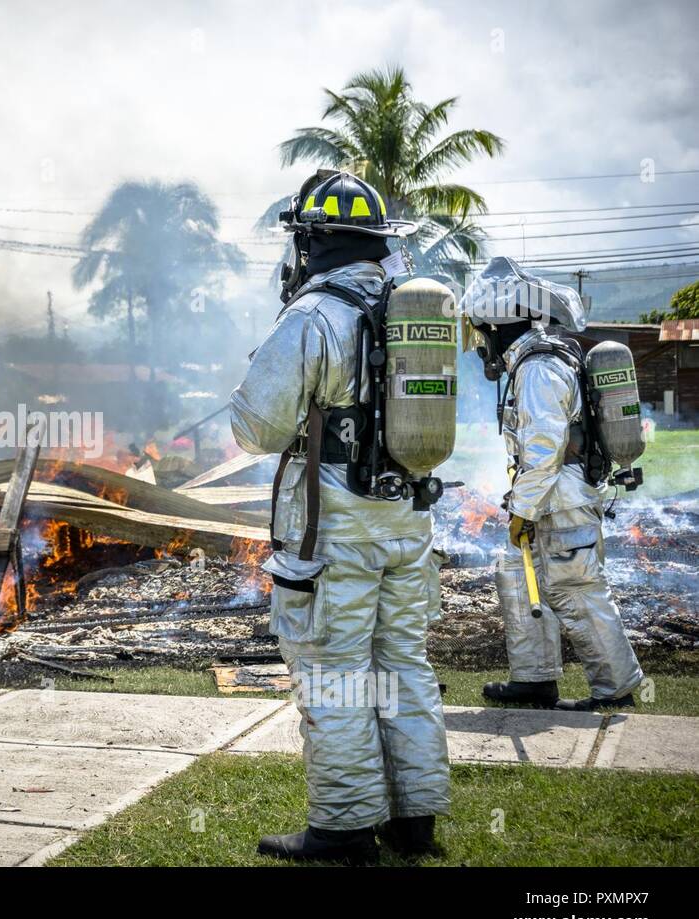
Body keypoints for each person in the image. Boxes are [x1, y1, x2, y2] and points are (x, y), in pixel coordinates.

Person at [231, 170, 450, 864]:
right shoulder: (408, 308)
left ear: (313, 239)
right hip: (407, 523)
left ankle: (345, 829)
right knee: (403, 667)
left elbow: (256, 430)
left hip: (338, 532)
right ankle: (415, 821)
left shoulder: (314, 315)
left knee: (335, 672)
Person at [461, 257, 643, 711]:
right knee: (518, 580)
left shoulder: (539, 368)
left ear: (502, 324)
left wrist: (522, 509)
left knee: (577, 592)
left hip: (560, 504)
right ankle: (534, 680)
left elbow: (544, 448)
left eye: (483, 331)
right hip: (548, 501)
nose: (481, 343)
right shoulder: (534, 360)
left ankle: (617, 687)